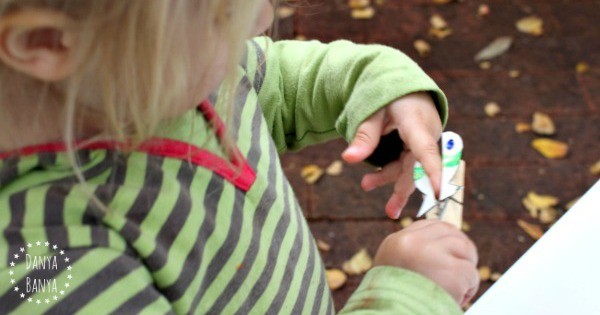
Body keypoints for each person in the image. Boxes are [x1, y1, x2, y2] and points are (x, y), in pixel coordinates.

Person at [0, 0, 478, 314]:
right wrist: (406, 296)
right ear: (49, 43)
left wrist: (382, 91)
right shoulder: (45, 268)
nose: (262, 20)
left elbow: (288, 79)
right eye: (224, 14)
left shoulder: (167, 82)